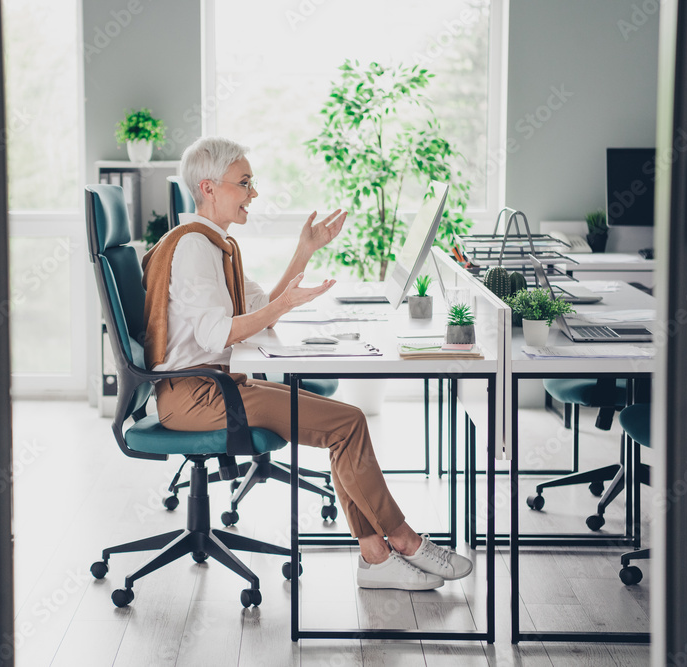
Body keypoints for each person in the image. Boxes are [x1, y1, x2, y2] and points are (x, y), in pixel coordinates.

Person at [141, 137, 472, 591]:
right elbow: (219, 333)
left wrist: (304, 250)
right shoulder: (197, 248)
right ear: (209, 187)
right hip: (196, 397)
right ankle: (403, 541)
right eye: (244, 183)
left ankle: (376, 556)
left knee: (345, 424)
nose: (253, 193)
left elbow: (258, 304)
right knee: (348, 423)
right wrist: (279, 309)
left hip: (210, 387)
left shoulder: (214, 243)